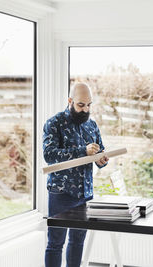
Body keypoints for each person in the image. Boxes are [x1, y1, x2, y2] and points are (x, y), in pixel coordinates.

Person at [43, 82, 109, 267]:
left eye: (89, 105)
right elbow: (50, 155)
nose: (85, 109)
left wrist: (101, 160)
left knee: (78, 241)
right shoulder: (54, 123)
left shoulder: (92, 125)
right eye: (81, 105)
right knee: (56, 243)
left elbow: (99, 151)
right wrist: (83, 151)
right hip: (61, 193)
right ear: (70, 101)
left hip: (84, 192)